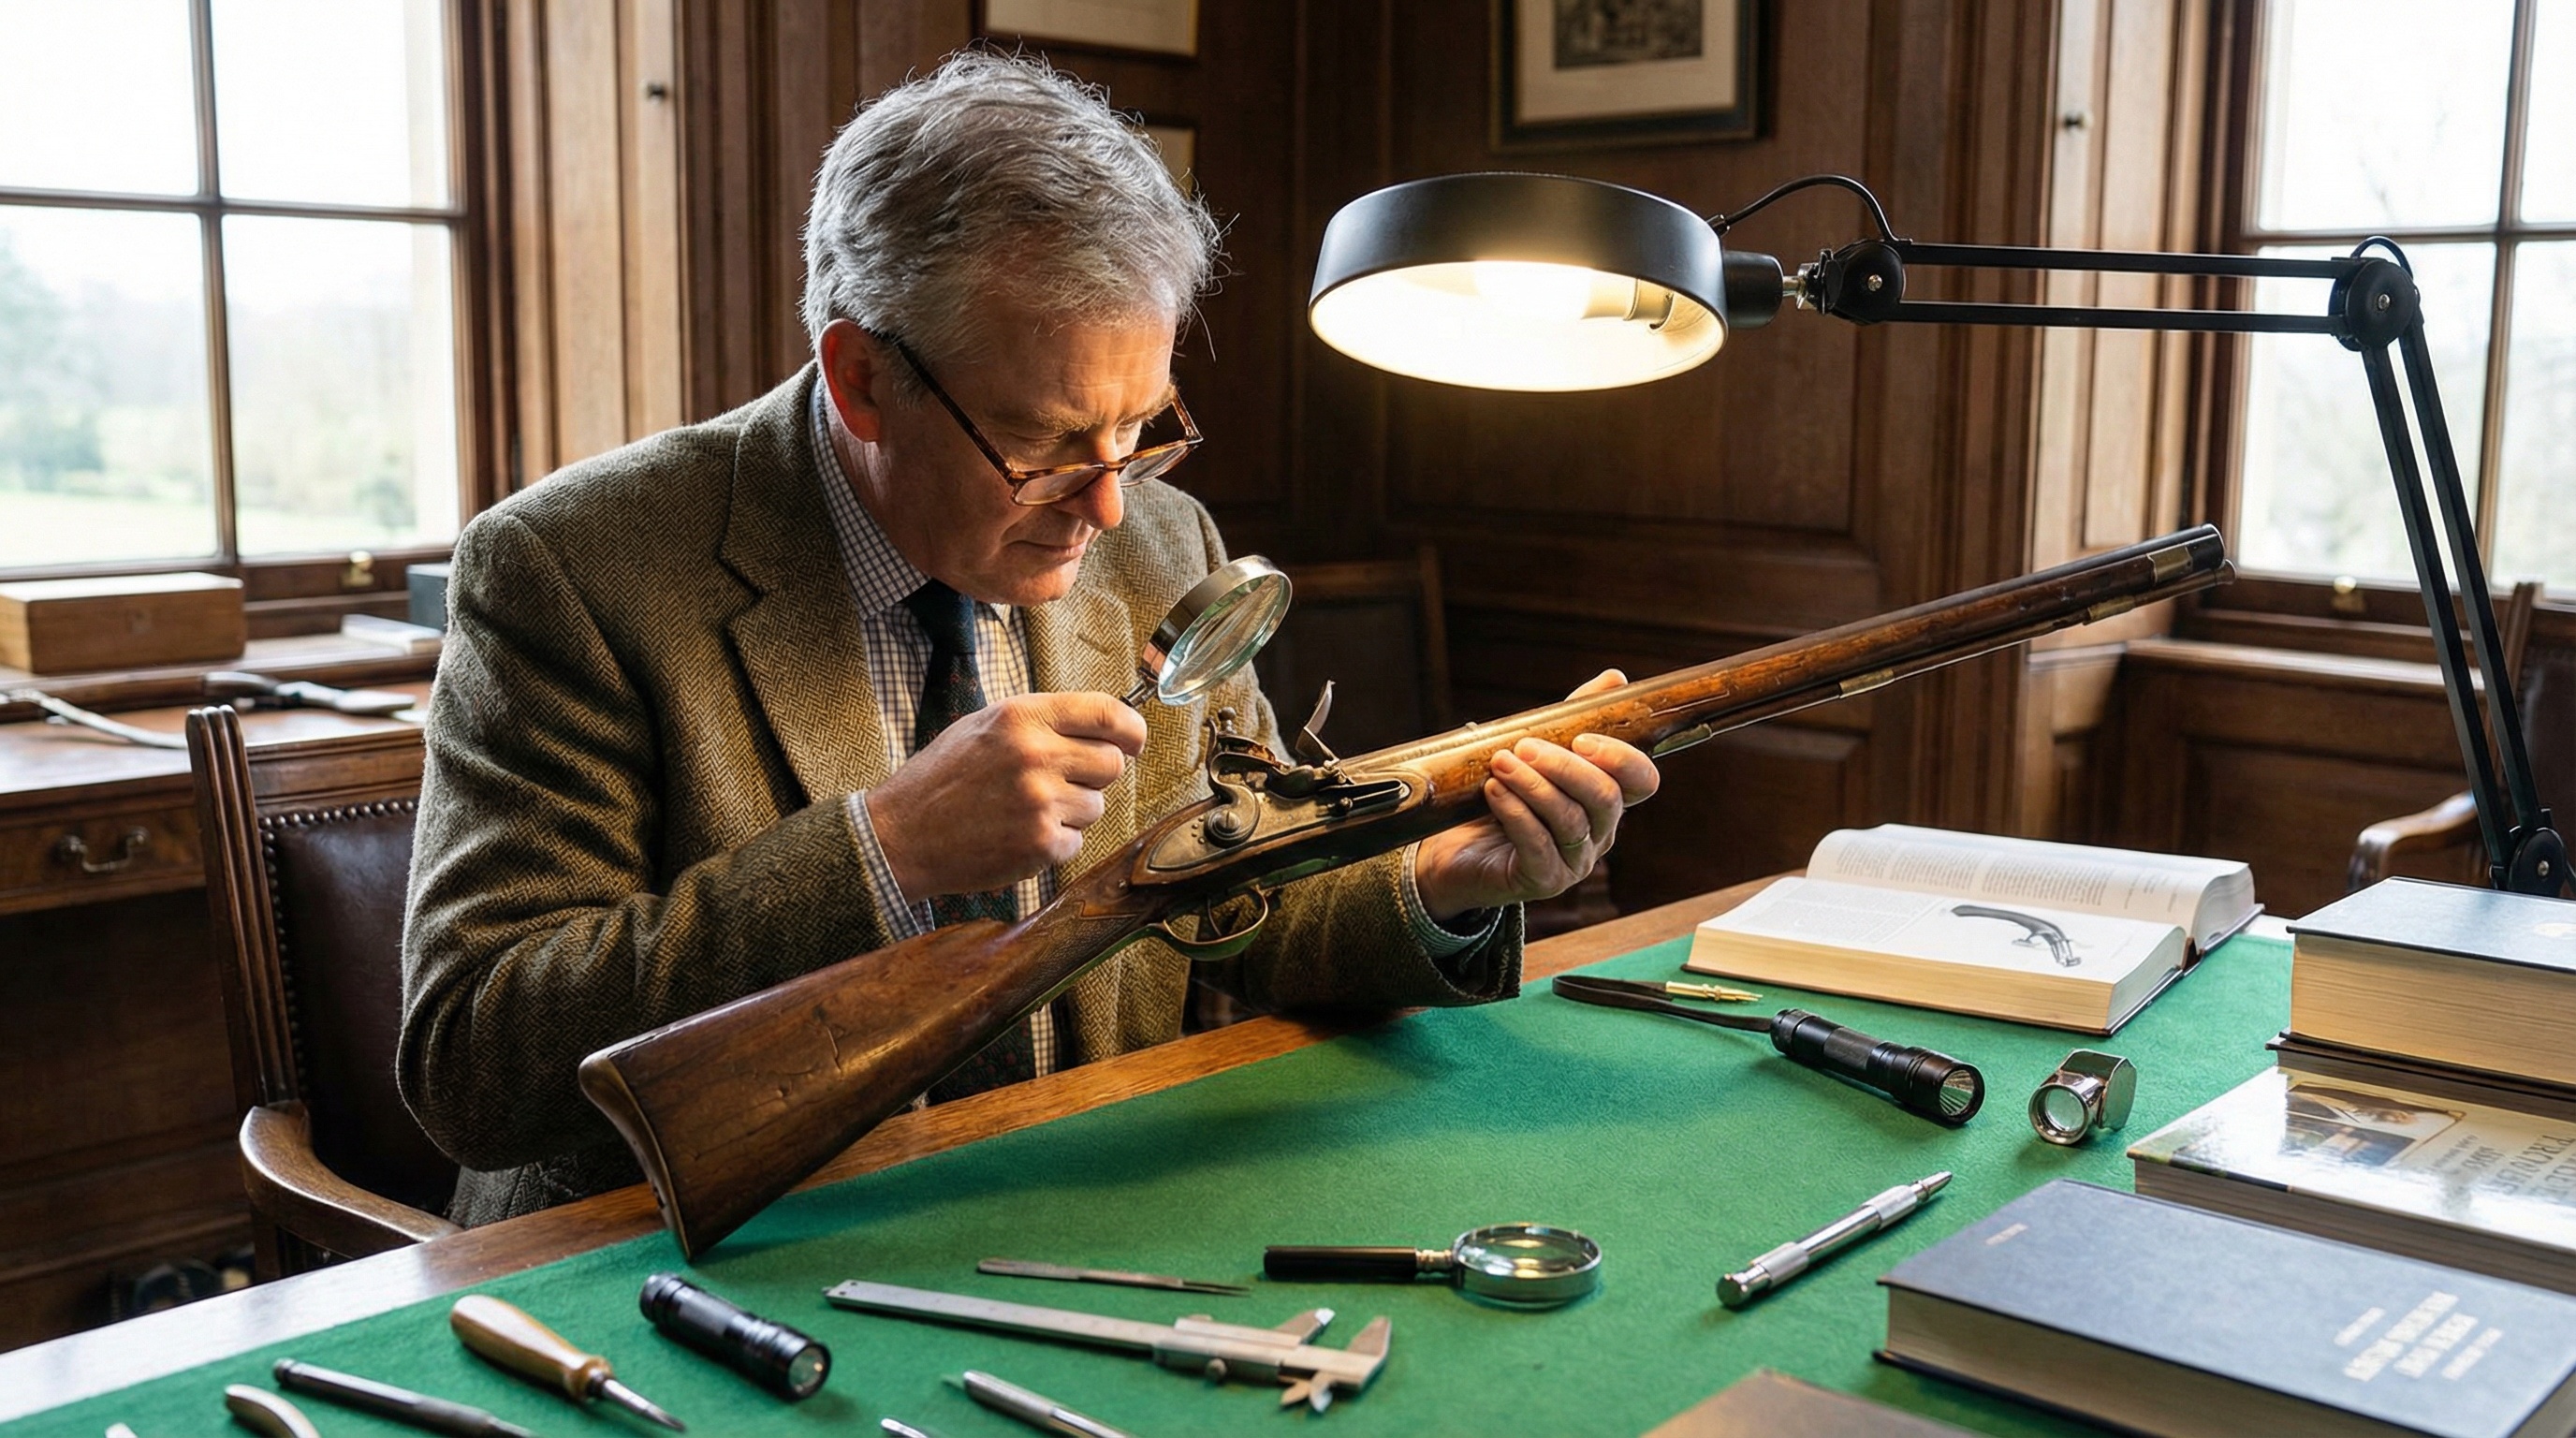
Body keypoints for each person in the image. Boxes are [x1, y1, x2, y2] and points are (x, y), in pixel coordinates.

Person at [399, 51, 1659, 1225]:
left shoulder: (1166, 541)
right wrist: (882, 851)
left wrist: (1446, 882)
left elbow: (1243, 905)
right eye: (1047, 443)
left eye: (1143, 426)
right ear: (860, 379)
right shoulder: (571, 567)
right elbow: (472, 1059)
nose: (1108, 504)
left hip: (1086, 1208)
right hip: (697, 1260)